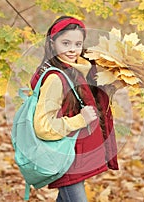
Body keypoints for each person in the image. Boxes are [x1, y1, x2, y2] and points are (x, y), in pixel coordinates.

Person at [30, 16, 119, 202]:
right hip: (66, 159)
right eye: (66, 43)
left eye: (78, 43)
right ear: (52, 44)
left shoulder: (80, 69)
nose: (72, 49)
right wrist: (80, 120)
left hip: (77, 157)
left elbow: (96, 96)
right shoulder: (56, 79)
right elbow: (42, 126)